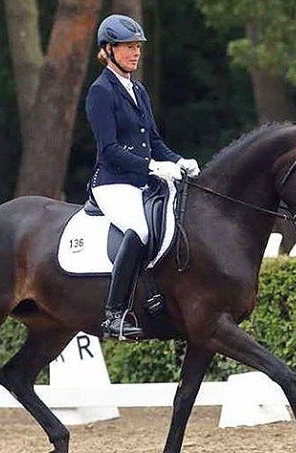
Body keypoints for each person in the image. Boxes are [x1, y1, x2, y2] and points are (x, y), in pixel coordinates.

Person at [85, 13, 201, 340]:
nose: (135, 53)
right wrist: (151, 167)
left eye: (137, 47)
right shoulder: (101, 91)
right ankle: (114, 314)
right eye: (127, 48)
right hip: (113, 183)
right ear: (107, 50)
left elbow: (154, 141)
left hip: (143, 181)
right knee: (138, 229)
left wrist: (179, 161)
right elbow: (108, 149)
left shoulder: (138, 89)